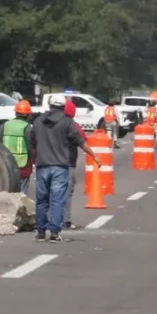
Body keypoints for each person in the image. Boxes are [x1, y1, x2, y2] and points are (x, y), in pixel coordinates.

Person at [28, 94, 100, 243]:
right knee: (58, 199)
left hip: (42, 166)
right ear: (63, 106)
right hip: (60, 166)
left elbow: (31, 143)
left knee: (41, 200)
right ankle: (54, 232)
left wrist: (34, 160)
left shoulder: (37, 122)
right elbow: (80, 141)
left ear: (50, 105)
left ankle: (40, 232)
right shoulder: (67, 123)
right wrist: (94, 156)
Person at [0, 100, 34, 195]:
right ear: (27, 115)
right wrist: (34, 160)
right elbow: (31, 147)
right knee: (22, 192)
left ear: (16, 113)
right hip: (23, 165)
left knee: (8, 189)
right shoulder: (28, 128)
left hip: (6, 163)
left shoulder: (4, 126)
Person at [63, 99, 88, 230]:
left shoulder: (47, 123)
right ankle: (65, 220)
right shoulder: (73, 125)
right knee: (66, 191)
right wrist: (94, 156)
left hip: (49, 161)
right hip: (67, 162)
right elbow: (83, 139)